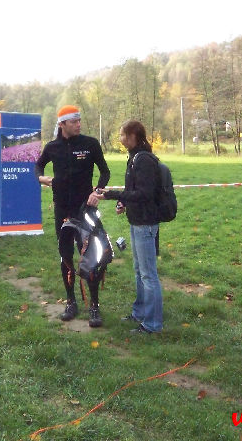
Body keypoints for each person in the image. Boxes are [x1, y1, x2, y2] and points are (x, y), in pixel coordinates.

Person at [36, 105, 110, 327]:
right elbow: (38, 167)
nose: (79, 124)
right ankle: (71, 302)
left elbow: (105, 171)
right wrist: (42, 178)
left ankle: (94, 306)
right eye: (74, 121)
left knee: (91, 255)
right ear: (62, 124)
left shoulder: (90, 144)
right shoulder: (52, 147)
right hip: (62, 210)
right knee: (65, 255)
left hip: (85, 209)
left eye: (79, 120)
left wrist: (97, 191)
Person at [91, 119, 163, 334]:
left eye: (123, 135)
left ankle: (152, 324)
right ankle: (139, 313)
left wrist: (113, 195)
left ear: (133, 136)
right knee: (139, 271)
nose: (120, 139)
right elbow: (135, 191)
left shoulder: (144, 160)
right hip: (137, 221)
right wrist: (124, 201)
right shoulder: (134, 158)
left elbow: (146, 194)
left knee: (148, 275)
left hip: (145, 223)